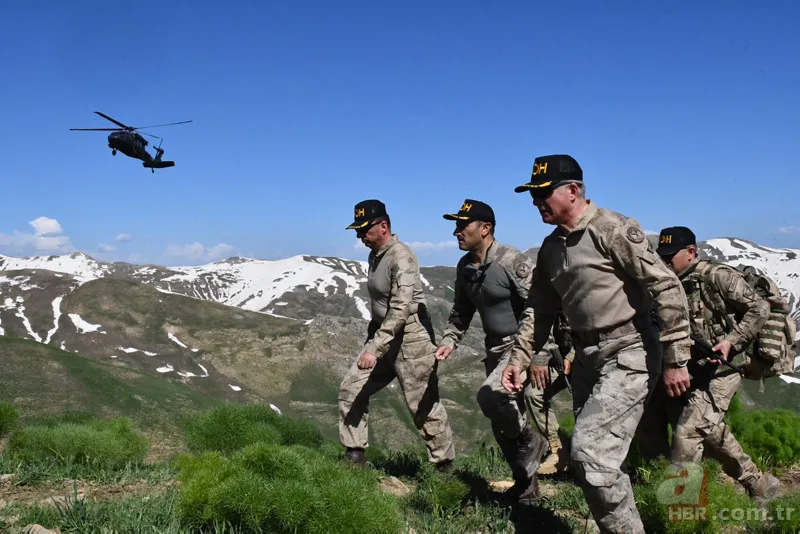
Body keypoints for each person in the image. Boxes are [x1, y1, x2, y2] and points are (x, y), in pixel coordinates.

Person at [501, 154, 693, 533]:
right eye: (533, 195)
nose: (536, 202)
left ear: (573, 191)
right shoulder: (551, 247)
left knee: (591, 453)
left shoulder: (612, 229)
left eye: (543, 193)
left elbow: (666, 286)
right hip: (587, 358)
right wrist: (519, 360)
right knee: (596, 459)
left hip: (631, 350)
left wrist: (676, 358)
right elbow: (538, 309)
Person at [434, 199, 568, 502]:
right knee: (503, 422)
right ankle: (526, 488)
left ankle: (533, 439)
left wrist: (540, 354)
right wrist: (449, 340)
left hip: (520, 345)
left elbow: (541, 308)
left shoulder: (511, 261)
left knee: (491, 396)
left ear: (485, 228)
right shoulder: (465, 266)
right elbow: (461, 310)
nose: (456, 231)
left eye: (462, 225)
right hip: (494, 349)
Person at [656, 226, 781, 501]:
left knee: (688, 433)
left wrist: (730, 342)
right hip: (693, 368)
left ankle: (684, 509)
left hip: (725, 368)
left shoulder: (718, 276)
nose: (664, 262)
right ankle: (759, 484)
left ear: (690, 253)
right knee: (711, 431)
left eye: (669, 256)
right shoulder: (667, 283)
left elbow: (759, 308)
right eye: (661, 256)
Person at [338, 199, 455, 470]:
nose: (359, 236)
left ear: (383, 226)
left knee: (422, 404)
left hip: (411, 338)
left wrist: (374, 348)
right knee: (351, 389)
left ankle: (444, 468)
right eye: (357, 230)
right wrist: (374, 338)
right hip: (383, 335)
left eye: (364, 229)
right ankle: (354, 458)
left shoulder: (401, 256)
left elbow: (401, 308)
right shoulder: (375, 255)